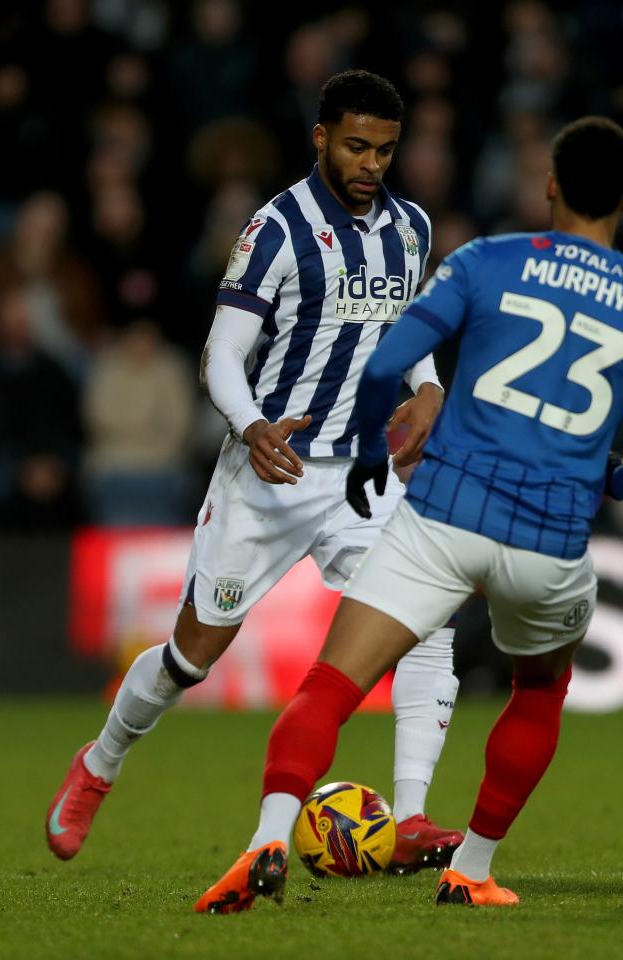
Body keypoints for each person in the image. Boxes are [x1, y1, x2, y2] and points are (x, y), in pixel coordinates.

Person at [196, 115, 623, 913]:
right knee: (538, 691)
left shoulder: (485, 261)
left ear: (551, 186)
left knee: (330, 685)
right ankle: (473, 869)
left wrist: (366, 450)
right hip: (550, 539)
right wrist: (614, 482)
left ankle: (264, 843)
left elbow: (388, 361)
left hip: (445, 515)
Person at [45, 70, 465, 873]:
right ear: (320, 139)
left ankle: (410, 815)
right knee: (190, 657)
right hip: (269, 472)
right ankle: (98, 765)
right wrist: (252, 425)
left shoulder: (410, 227)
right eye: (354, 146)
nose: (370, 163)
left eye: (383, 149)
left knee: (427, 624)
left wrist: (430, 387)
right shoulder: (275, 229)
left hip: (362, 478)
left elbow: (406, 331)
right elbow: (223, 353)